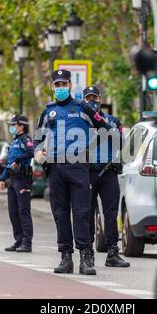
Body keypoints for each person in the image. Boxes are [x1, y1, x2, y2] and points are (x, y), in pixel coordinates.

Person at [34, 69, 111, 275]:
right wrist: (38, 151)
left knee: (82, 212)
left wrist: (89, 148)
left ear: (70, 85)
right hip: (55, 168)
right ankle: (65, 257)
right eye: (56, 85)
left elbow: (105, 128)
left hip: (78, 167)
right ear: (52, 87)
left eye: (63, 84)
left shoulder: (83, 107)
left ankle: (86, 257)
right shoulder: (47, 111)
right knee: (60, 213)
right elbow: (37, 137)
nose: (60, 88)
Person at [83, 86, 130, 268]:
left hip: (109, 172)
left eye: (94, 98)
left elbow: (121, 142)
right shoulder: (81, 123)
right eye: (88, 99)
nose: (92, 101)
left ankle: (112, 252)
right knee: (87, 213)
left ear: (100, 100)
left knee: (111, 214)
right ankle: (88, 253)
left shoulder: (112, 120)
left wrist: (103, 123)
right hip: (88, 172)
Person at [0, 114, 34, 253]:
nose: (11, 127)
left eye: (13, 125)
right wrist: (3, 178)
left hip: (23, 179)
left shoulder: (26, 139)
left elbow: (32, 152)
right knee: (13, 211)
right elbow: (9, 163)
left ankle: (27, 242)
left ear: (21, 126)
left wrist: (19, 160)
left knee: (23, 211)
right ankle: (18, 240)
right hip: (13, 180)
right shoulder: (14, 142)